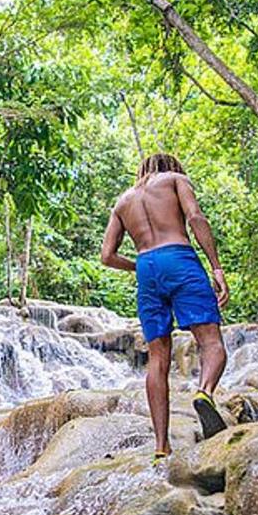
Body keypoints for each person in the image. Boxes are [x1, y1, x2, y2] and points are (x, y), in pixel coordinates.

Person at [100, 152, 229, 457]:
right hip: (180, 258)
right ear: (171, 167)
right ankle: (205, 393)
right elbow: (195, 217)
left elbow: (106, 256)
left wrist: (140, 267)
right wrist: (216, 267)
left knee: (158, 358)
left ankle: (161, 447)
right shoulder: (175, 180)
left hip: (147, 267)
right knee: (210, 341)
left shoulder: (122, 202)